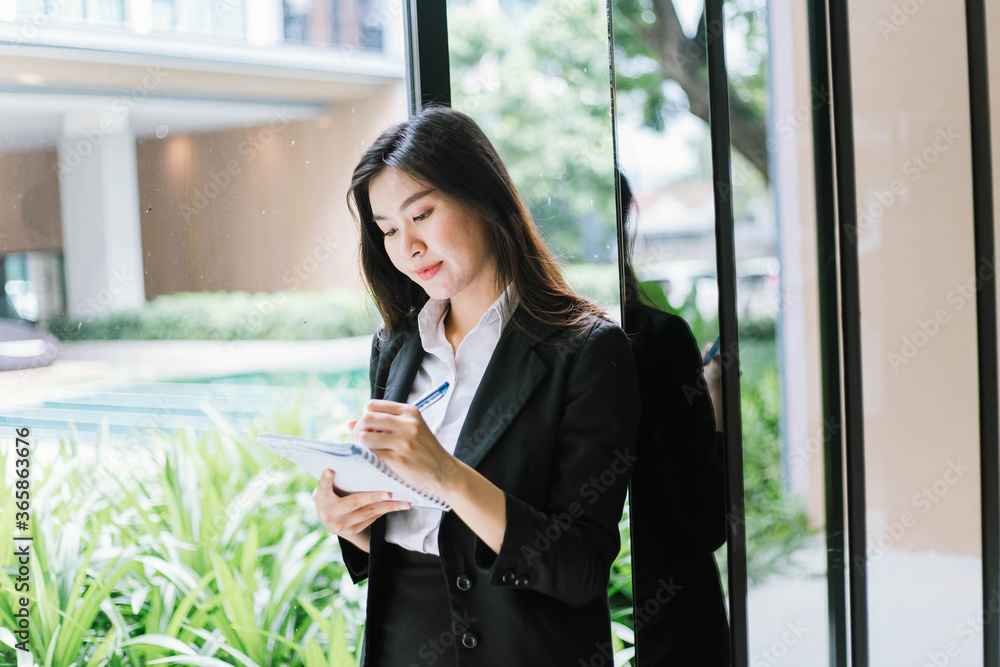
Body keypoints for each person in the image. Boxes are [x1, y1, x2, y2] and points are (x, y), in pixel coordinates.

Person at [311, 105, 641, 667]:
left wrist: (446, 475)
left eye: (423, 215)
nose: (407, 246)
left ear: (483, 197)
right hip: (402, 643)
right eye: (388, 230)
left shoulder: (584, 351)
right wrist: (353, 523)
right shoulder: (395, 345)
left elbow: (579, 566)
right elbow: (414, 533)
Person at [617, 167, 731, 665]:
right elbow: (705, 521)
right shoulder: (655, 341)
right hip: (668, 634)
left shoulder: (504, 351)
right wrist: (715, 400)